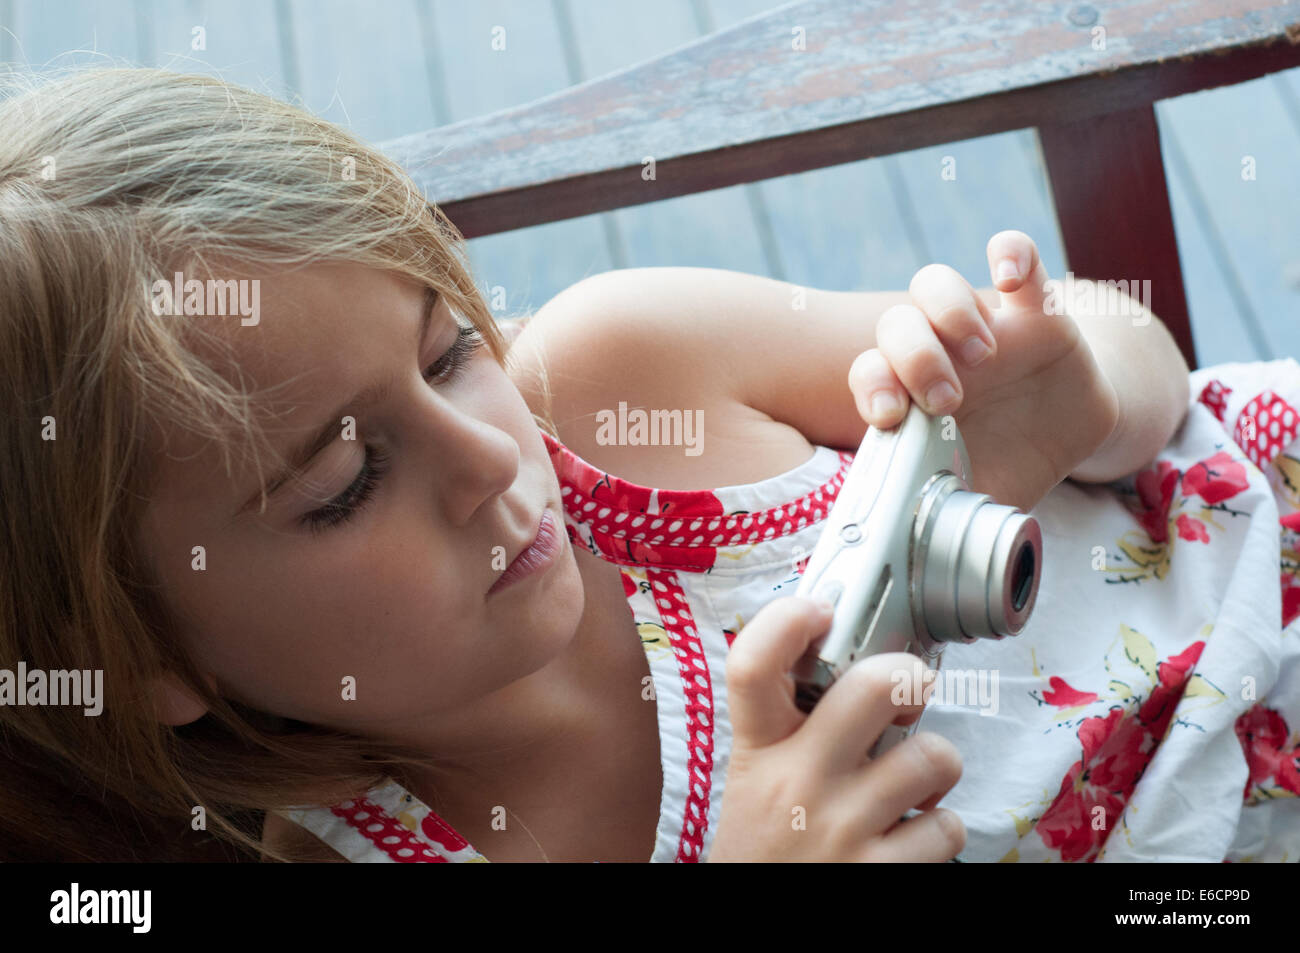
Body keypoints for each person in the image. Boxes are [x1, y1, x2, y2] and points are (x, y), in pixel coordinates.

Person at [2, 66, 1284, 864]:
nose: (491, 458)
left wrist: (1080, 393)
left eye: (449, 354)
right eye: (343, 482)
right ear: (146, 654)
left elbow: (1140, 361)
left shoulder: (625, 379)